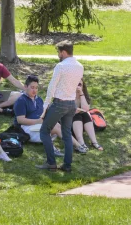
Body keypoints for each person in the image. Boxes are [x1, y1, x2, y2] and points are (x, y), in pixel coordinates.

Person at [37, 41, 83, 172]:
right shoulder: (80, 66)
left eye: (58, 52)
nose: (58, 55)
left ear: (63, 52)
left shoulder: (61, 66)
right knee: (67, 134)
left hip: (59, 103)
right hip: (71, 104)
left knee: (44, 131)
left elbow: (52, 87)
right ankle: (67, 165)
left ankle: (51, 163)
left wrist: (45, 106)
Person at [13, 75, 62, 144]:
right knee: (55, 127)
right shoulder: (21, 101)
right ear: (25, 87)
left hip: (38, 126)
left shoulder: (39, 99)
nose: (35, 90)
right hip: (27, 129)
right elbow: (20, 120)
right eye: (32, 87)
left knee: (57, 124)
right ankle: (76, 145)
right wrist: (38, 121)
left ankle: (78, 145)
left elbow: (42, 114)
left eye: (36, 88)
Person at [72, 78, 103, 153]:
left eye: (80, 84)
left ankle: (94, 142)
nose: (78, 86)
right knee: (77, 115)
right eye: (76, 84)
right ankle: (81, 142)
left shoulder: (84, 95)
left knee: (85, 114)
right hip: (69, 122)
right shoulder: (69, 95)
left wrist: (81, 94)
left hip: (80, 123)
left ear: (83, 86)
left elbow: (86, 109)